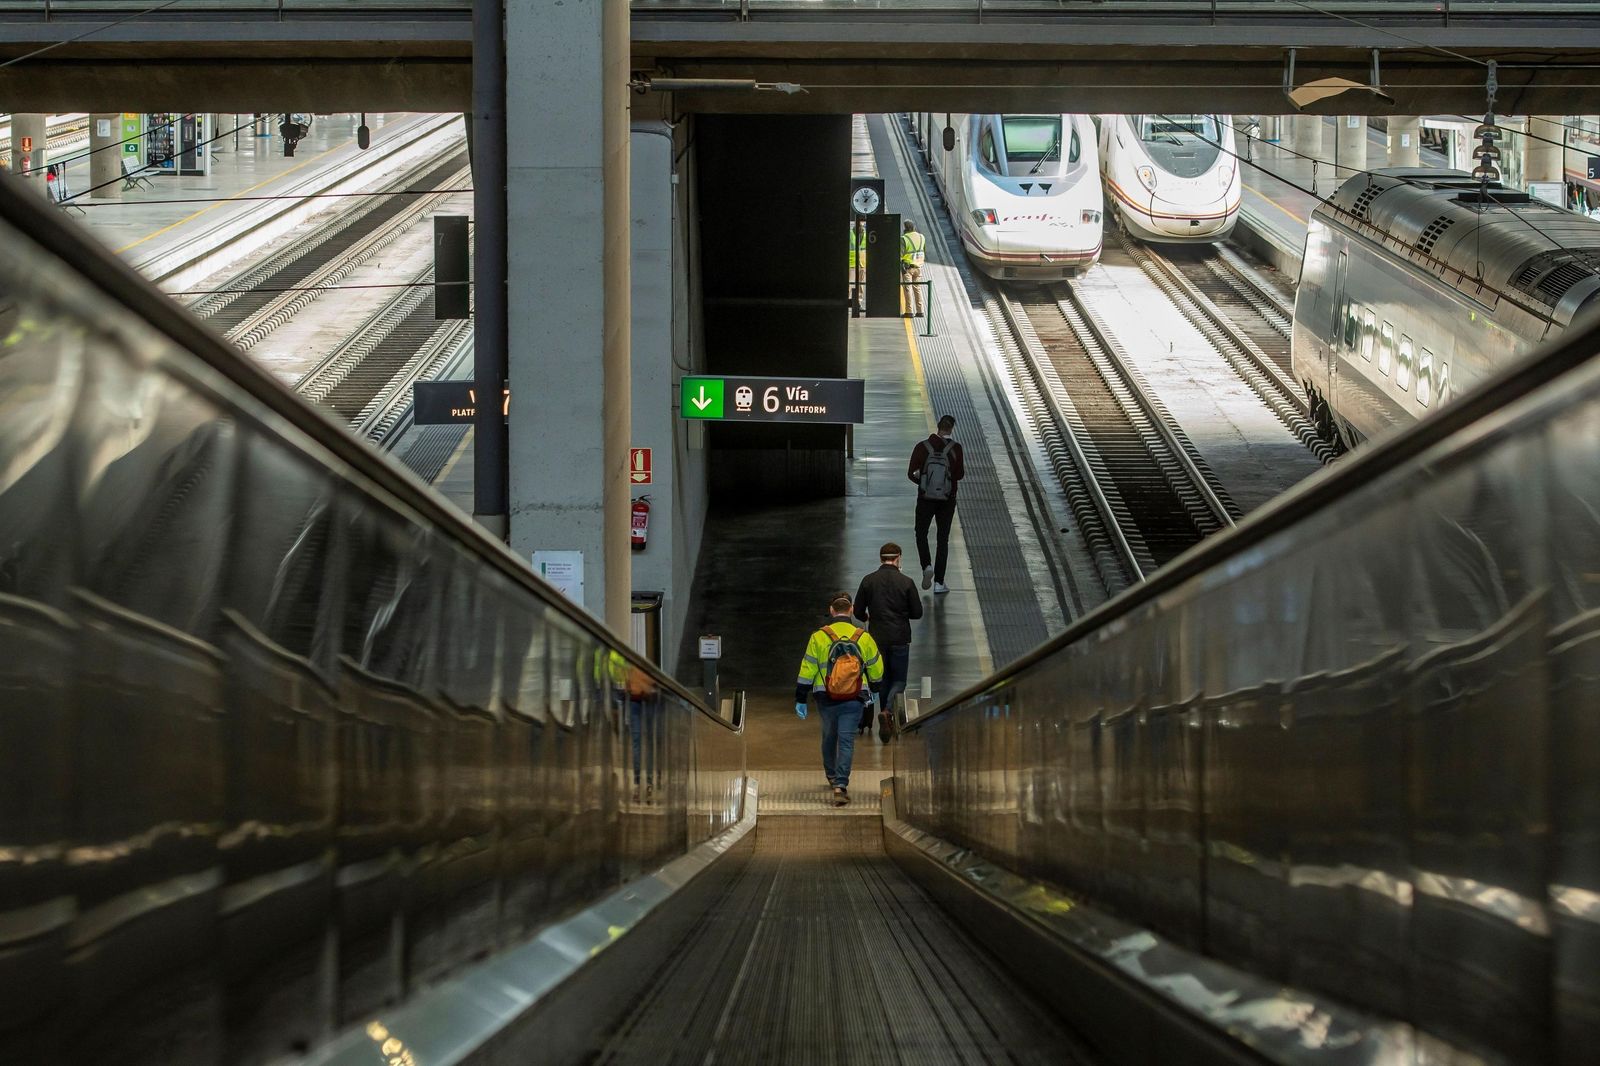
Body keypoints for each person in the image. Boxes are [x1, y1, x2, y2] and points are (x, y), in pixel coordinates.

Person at [795, 592, 884, 807]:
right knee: (846, 740)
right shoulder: (863, 637)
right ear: (851, 610)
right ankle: (841, 786)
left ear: (832, 611)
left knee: (829, 736)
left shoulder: (819, 636)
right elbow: (876, 667)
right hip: (854, 696)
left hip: (825, 696)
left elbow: (807, 668)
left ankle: (832, 775)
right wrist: (874, 688)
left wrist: (801, 697)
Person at [853, 542, 922, 741]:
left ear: (881, 558)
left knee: (881, 679)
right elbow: (917, 613)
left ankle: (885, 715)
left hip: (877, 638)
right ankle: (887, 711)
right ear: (898, 557)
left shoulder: (868, 581)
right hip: (900, 637)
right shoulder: (906, 582)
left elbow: (858, 611)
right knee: (899, 680)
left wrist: (868, 617)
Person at [908, 414, 965, 594]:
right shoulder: (956, 448)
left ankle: (926, 566)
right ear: (951, 429)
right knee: (943, 539)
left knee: (921, 533)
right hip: (947, 500)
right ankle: (939, 583)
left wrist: (925, 484)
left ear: (938, 427)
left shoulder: (922, 447)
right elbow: (960, 474)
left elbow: (911, 473)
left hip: (925, 499)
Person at [900, 219, 927, 318]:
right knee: (917, 289)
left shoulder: (904, 238)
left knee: (908, 289)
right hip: (919, 267)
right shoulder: (922, 237)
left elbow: (900, 254)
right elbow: (924, 250)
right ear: (914, 227)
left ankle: (909, 311)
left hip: (908, 268)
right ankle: (920, 311)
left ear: (905, 228)